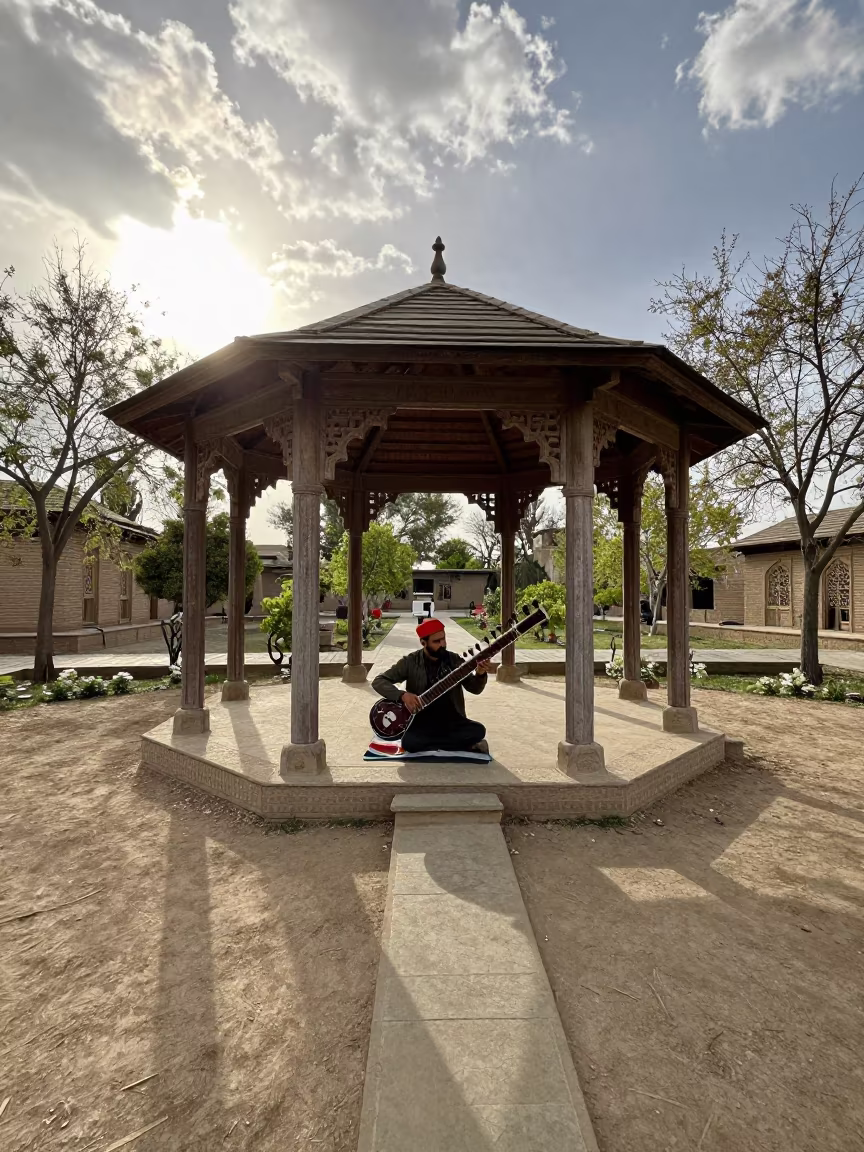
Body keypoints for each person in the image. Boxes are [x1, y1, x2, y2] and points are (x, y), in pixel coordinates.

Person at [372, 619, 492, 754]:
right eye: (437, 641)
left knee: (478, 731)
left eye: (444, 639)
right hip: (422, 721)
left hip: (452, 721)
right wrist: (402, 695)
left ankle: (434, 743)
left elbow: (475, 689)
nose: (443, 644)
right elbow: (379, 681)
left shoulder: (454, 660)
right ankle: (454, 744)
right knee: (408, 742)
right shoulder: (410, 662)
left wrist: (480, 674)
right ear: (423, 643)